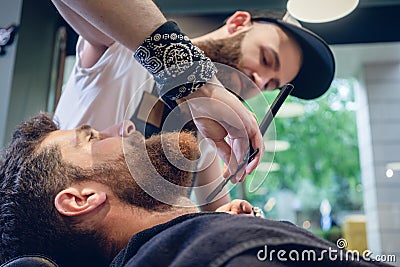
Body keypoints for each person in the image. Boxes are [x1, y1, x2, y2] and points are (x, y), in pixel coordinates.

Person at [0, 114, 391, 267]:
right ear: (81, 198)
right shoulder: (202, 256)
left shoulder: (194, 248)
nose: (126, 130)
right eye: (93, 138)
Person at [51, 0, 335, 209]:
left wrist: (233, 213)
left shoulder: (203, 139)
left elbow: (216, 210)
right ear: (237, 23)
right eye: (265, 59)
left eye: (271, 84)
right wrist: (194, 77)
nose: (259, 82)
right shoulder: (122, 49)